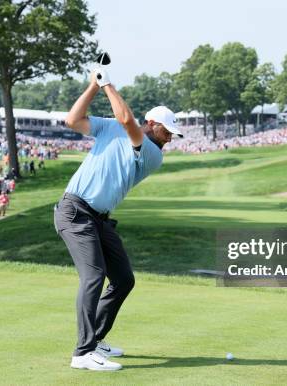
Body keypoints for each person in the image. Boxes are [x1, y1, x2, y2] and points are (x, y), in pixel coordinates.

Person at [55, 67, 182, 371]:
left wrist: (107, 82)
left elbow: (127, 121)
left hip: (98, 219)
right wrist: (94, 87)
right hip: (75, 211)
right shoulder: (112, 126)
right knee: (94, 276)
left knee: (123, 279)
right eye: (166, 131)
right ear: (151, 123)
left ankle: (95, 340)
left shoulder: (153, 153)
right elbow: (72, 120)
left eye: (171, 135)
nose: (168, 138)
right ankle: (82, 354)